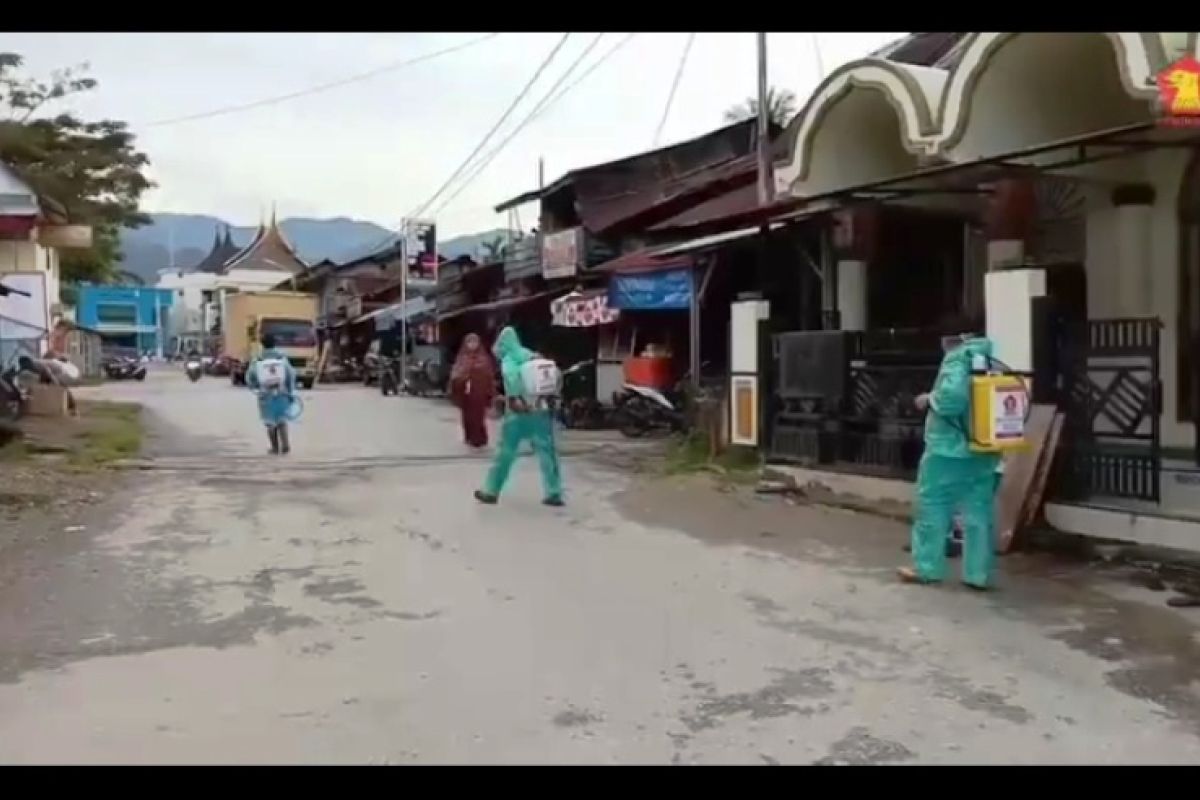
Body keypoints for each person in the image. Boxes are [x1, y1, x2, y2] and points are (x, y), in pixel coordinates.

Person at [899, 331, 1002, 591]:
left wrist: (928, 399)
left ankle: (927, 568)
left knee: (932, 506)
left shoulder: (957, 359)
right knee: (978, 512)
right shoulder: (987, 358)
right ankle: (978, 574)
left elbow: (951, 400)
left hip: (948, 449)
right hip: (983, 449)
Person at [473, 326, 563, 507]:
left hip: (519, 411)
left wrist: (514, 399)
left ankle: (491, 490)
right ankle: (554, 492)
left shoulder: (510, 359)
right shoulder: (532, 355)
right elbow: (555, 377)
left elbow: (511, 378)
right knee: (547, 450)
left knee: (505, 452)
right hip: (541, 408)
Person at [246, 333, 298, 455]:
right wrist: (290, 392)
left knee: (269, 422)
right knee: (282, 419)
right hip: (282, 393)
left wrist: (256, 388)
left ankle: (274, 448)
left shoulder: (258, 359)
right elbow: (291, 375)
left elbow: (250, 377)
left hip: (265, 395)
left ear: (262, 344)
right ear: (275, 343)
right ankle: (285, 446)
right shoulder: (282, 358)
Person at [450, 333, 496, 449]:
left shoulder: (483, 358)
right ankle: (469, 437)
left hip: (479, 393)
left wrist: (490, 392)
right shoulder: (462, 357)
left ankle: (479, 439)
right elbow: (456, 373)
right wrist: (462, 378)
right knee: (467, 416)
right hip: (465, 393)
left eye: (475, 342)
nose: (472, 345)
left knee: (478, 416)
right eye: (470, 342)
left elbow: (489, 376)